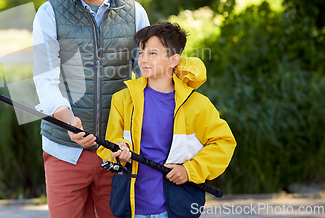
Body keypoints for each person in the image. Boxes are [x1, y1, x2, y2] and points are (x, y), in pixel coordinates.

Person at [33, 0, 150, 217]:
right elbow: (44, 80)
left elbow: (147, 81)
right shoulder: (49, 12)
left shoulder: (135, 13)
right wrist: (67, 120)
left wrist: (129, 137)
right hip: (64, 150)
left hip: (116, 151)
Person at [97, 22, 236, 218]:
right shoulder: (122, 99)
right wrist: (120, 150)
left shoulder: (198, 104)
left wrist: (190, 171)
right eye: (141, 52)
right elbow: (111, 143)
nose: (144, 59)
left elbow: (223, 143)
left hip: (176, 208)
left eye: (152, 53)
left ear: (173, 60)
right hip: (131, 207)